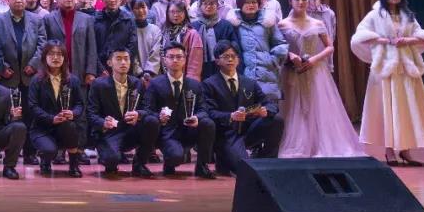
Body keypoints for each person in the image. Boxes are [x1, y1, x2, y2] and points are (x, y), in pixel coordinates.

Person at [352, 0, 424, 165]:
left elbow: (423, 37)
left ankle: (406, 150)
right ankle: (389, 151)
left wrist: (407, 40)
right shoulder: (375, 15)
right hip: (386, 69)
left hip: (406, 68)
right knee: (387, 108)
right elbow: (359, 37)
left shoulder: (408, 15)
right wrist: (385, 41)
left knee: (406, 108)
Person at [274, 0, 362, 159]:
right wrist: (290, 55)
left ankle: (318, 144)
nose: (301, 2)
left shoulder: (318, 23)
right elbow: (277, 46)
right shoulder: (283, 24)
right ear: (290, 1)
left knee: (318, 107)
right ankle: (299, 144)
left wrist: (314, 59)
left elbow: (330, 47)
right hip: (292, 71)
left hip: (316, 71)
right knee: (294, 108)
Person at [202, 40, 282, 175]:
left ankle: (267, 160)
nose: (230, 59)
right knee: (244, 169)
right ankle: (223, 160)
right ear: (217, 61)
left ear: (238, 60)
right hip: (226, 134)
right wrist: (230, 116)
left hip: (248, 130)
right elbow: (209, 112)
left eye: (233, 56)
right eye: (225, 56)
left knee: (277, 120)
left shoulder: (249, 82)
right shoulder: (209, 84)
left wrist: (266, 110)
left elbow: (270, 104)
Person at [145, 42, 216, 178]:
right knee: (176, 157)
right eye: (171, 57)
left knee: (208, 123)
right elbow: (148, 110)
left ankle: (202, 165)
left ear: (185, 59)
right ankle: (170, 160)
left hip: (189, 130)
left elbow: (203, 109)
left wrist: (197, 118)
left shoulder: (195, 85)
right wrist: (158, 116)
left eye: (179, 57)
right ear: (164, 60)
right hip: (167, 133)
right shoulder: (155, 84)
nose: (175, 60)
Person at [86, 47, 158, 178]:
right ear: (109, 63)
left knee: (151, 121)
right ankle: (108, 157)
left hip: (130, 130)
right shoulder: (98, 84)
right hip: (109, 133)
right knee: (111, 160)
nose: (123, 62)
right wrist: (103, 122)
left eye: (126, 59)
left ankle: (139, 164)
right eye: (118, 59)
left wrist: (139, 114)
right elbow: (91, 113)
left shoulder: (138, 83)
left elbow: (148, 109)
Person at [27, 41, 87, 177]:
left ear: (64, 58)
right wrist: (51, 118)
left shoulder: (73, 80)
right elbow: (33, 107)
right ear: (44, 57)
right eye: (51, 54)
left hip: (65, 127)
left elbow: (80, 104)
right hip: (42, 128)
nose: (55, 57)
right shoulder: (36, 80)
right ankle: (45, 161)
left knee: (70, 125)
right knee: (50, 150)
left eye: (59, 54)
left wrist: (73, 113)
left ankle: (73, 164)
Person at [230, 0, 288, 103]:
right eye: (247, 2)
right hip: (242, 73)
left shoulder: (268, 22)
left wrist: (272, 60)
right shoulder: (233, 23)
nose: (251, 5)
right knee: (246, 109)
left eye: (254, 2)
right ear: (240, 4)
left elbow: (280, 44)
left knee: (269, 110)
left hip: (267, 73)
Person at [38, 0, 99, 85]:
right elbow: (43, 47)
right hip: (54, 71)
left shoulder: (87, 19)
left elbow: (91, 48)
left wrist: (91, 72)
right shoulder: (48, 19)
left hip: (81, 72)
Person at [0, 0, 46, 91]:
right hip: (7, 76)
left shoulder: (37, 20)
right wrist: (3, 66)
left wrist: (34, 65)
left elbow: (42, 45)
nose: (19, 0)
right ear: (8, 0)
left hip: (31, 76)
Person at [191, 0, 240, 81]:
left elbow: (235, 47)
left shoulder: (226, 25)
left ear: (217, 6)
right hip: (199, 68)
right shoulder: (193, 26)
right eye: (205, 4)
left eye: (212, 4)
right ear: (200, 6)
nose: (208, 6)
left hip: (223, 67)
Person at [94, 0, 136, 71]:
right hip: (100, 68)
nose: (112, 0)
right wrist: (100, 68)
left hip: (122, 66)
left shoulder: (129, 20)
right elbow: (92, 47)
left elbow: (132, 46)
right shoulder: (95, 20)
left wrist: (121, 62)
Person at [159, 1, 204, 81]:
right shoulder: (162, 32)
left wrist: (191, 82)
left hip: (185, 80)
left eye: (179, 11)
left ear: (185, 13)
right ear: (167, 13)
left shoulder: (192, 34)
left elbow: (195, 63)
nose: (175, 15)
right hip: (164, 78)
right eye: (172, 12)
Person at [304, 0, 337, 72]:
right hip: (306, 57)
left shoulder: (329, 13)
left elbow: (332, 35)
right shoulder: (299, 12)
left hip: (324, 56)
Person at [129, 0, 161, 82]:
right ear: (132, 11)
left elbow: (156, 52)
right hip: (135, 76)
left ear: (148, 9)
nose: (140, 11)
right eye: (137, 8)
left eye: (143, 7)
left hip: (154, 75)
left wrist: (148, 72)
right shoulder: (129, 30)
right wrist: (139, 73)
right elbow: (132, 55)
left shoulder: (155, 30)